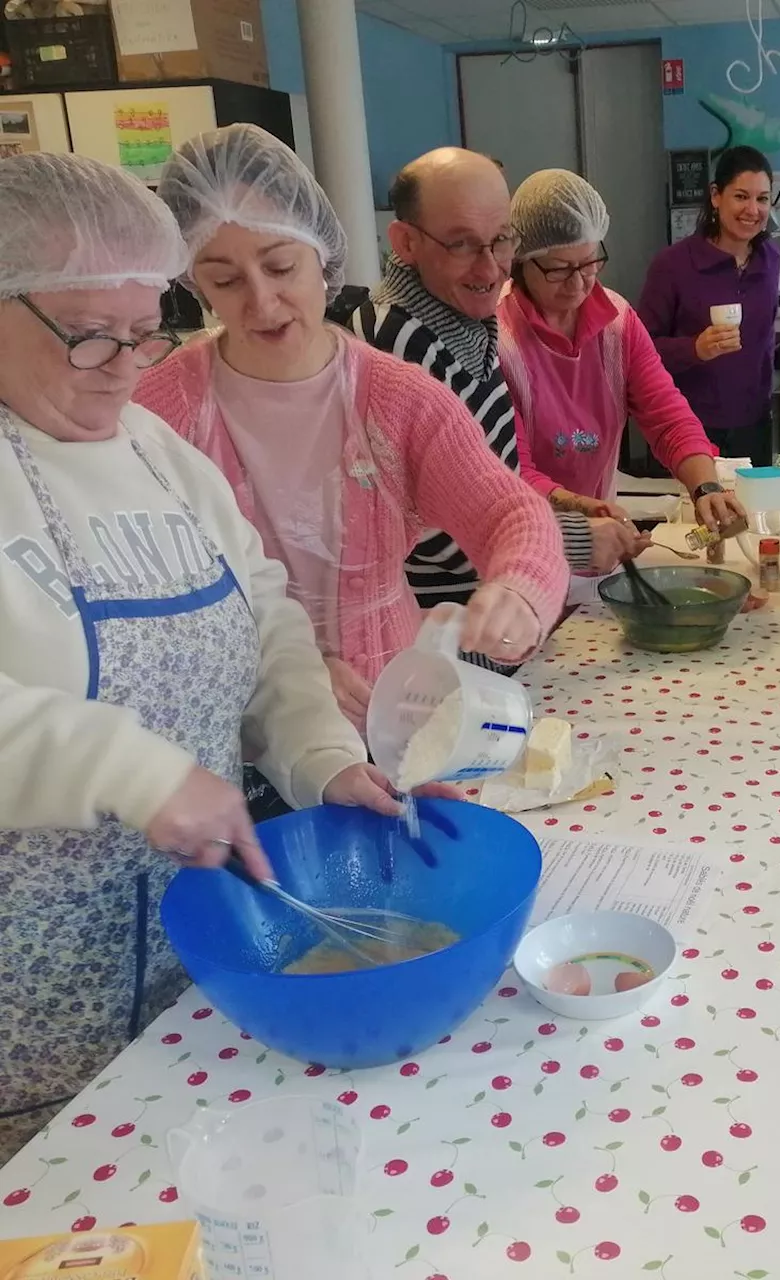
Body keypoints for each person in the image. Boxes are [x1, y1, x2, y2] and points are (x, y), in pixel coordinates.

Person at [0, 153, 403, 1160]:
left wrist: (321, 754)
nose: (129, 368)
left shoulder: (159, 455)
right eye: (94, 337)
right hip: (26, 1020)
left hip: (199, 978)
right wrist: (129, 768)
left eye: (146, 333)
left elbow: (265, 625)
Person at [133, 125, 568, 739]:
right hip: (234, 735)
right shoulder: (156, 412)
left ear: (322, 254)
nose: (262, 302)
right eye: (225, 280)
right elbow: (140, 603)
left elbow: (508, 510)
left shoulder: (396, 399)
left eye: (281, 266)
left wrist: (521, 589)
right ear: (191, 279)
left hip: (392, 715)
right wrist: (281, 672)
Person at [353, 147, 648, 610]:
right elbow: (434, 529)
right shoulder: (398, 345)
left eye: (502, 240)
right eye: (462, 244)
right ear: (405, 242)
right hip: (441, 630)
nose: (490, 268)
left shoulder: (466, 320)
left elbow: (494, 480)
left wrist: (557, 511)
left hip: (498, 607)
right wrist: (570, 540)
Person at [497, 168, 747, 535]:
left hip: (601, 539)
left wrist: (706, 486)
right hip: (523, 536)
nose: (579, 283)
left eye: (588, 264)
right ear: (520, 261)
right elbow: (512, 469)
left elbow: (668, 415)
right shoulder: (498, 339)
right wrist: (589, 514)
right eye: (559, 270)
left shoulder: (617, 321)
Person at [638, 146, 780, 468]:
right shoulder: (673, 264)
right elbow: (640, 351)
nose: (753, 209)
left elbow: (765, 341)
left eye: (762, 198)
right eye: (741, 196)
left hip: (753, 425)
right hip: (685, 425)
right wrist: (695, 349)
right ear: (716, 196)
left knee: (752, 515)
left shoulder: (771, 260)